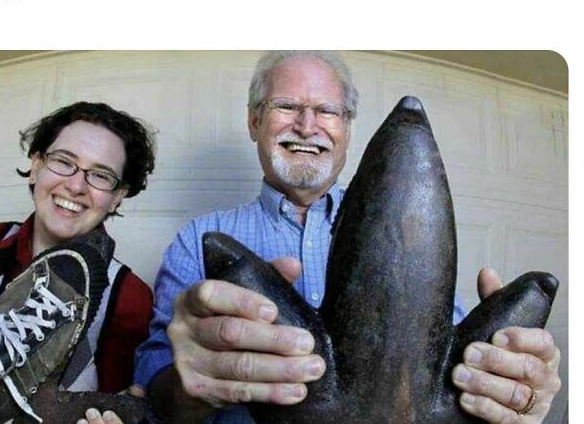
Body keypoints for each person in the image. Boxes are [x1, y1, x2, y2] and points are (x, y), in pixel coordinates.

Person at [133, 51, 562, 424]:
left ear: (347, 127)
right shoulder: (196, 241)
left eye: (327, 111)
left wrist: (514, 383)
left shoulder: (416, 227)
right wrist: (193, 387)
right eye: (286, 106)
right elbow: (156, 396)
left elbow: (454, 370)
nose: (306, 125)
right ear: (254, 120)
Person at [0, 101, 157, 418]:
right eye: (64, 161)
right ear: (36, 165)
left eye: (101, 175)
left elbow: (115, 399)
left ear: (118, 195)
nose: (76, 186)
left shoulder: (130, 295)